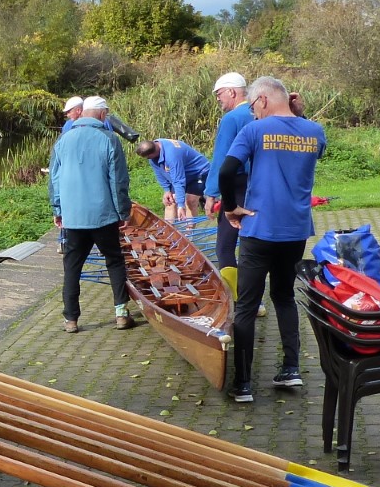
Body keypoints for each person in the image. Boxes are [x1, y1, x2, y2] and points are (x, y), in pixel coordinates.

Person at [218, 75, 326, 403]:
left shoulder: (254, 130)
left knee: (247, 306)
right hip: (295, 231)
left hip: (259, 229)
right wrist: (300, 115)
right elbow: (313, 149)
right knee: (284, 297)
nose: (253, 112)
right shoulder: (314, 130)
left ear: (263, 99)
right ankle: (291, 368)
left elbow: (226, 170)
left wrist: (230, 207)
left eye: (253, 106)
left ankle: (243, 384)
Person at [49, 95, 135, 333]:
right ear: (102, 114)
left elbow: (54, 179)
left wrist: (57, 209)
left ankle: (71, 319)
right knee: (114, 261)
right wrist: (123, 212)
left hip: (73, 217)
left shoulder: (63, 140)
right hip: (103, 215)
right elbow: (118, 180)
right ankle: (121, 314)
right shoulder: (109, 139)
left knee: (72, 266)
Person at [205, 72, 254, 277]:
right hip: (260, 185)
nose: (218, 99)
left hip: (238, 187)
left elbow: (222, 158)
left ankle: (235, 292)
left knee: (225, 246)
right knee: (251, 243)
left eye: (219, 94)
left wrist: (211, 193)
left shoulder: (232, 118)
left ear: (232, 92)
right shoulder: (260, 114)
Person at [135, 137, 210, 221]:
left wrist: (181, 205)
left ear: (152, 153)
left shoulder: (172, 155)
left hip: (199, 172)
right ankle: (168, 229)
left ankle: (188, 229)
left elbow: (179, 181)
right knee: (170, 201)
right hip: (182, 173)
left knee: (190, 201)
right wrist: (167, 190)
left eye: (148, 157)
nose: (148, 159)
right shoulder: (154, 148)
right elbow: (159, 172)